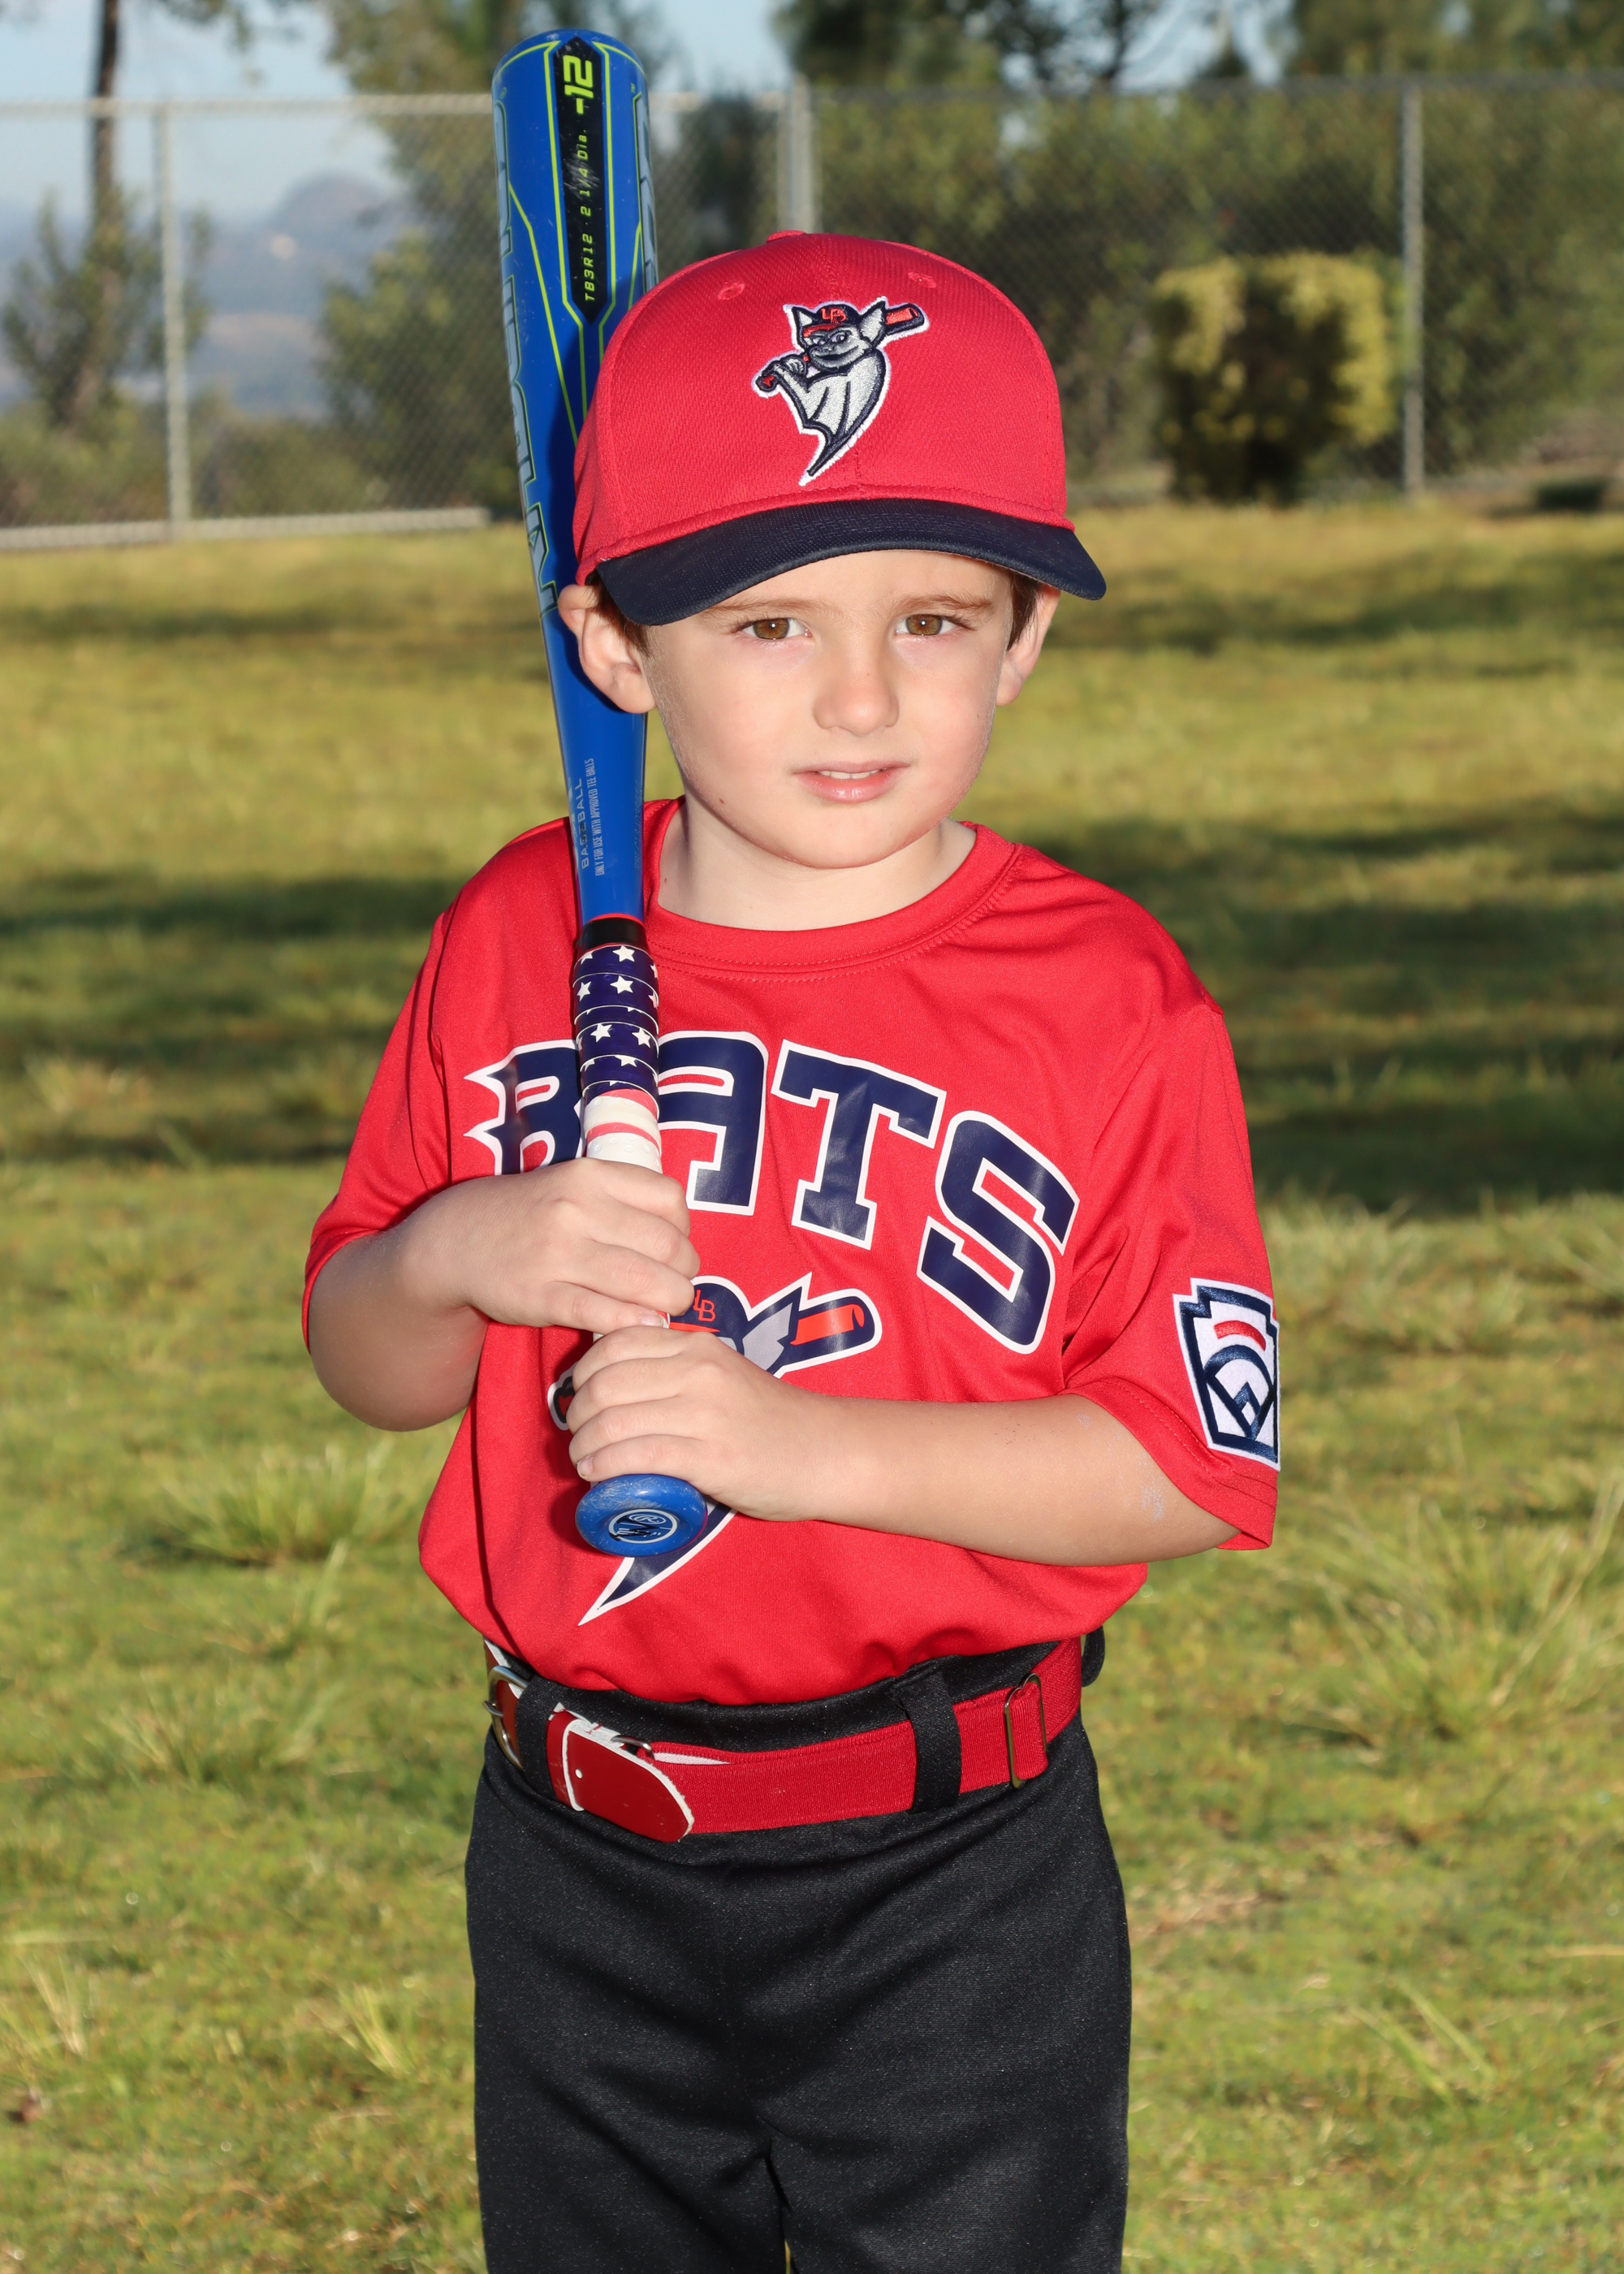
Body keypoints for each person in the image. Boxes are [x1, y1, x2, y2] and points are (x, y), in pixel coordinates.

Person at [304, 232, 1279, 2274]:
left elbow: (1186, 1466)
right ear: (616, 641)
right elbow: (364, 1358)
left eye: (932, 616)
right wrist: (464, 1248)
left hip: (949, 1873)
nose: (859, 695)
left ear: (1023, 636)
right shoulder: (516, 933)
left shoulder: (1107, 997)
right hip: (570, 1852)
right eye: (764, 622)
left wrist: (796, 1447)